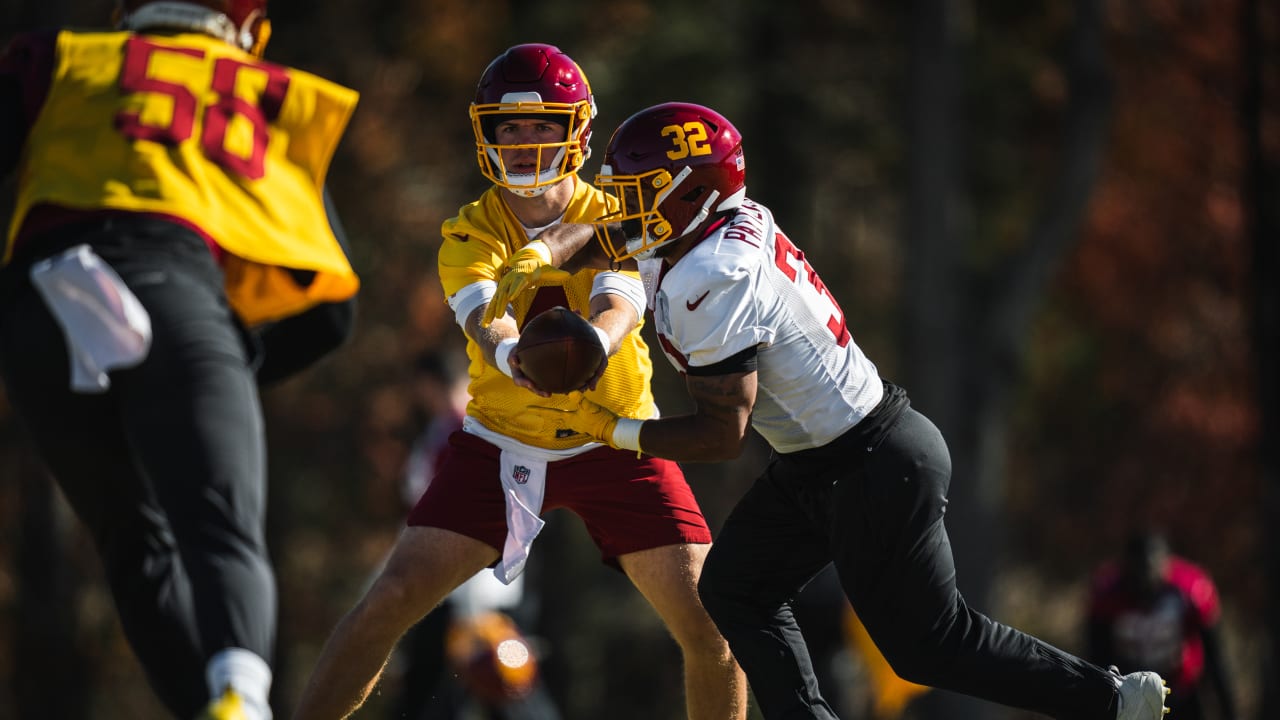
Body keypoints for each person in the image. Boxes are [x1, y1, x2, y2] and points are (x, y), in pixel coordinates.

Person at [486, 101, 1174, 720]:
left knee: (931, 646)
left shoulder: (710, 277)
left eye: (638, 195)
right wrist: (546, 252)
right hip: (823, 460)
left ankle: (1113, 701)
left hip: (872, 464)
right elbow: (607, 231)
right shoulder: (717, 222)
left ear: (690, 193)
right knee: (735, 590)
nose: (623, 210)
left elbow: (722, 434)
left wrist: (612, 431)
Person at [291, 45, 746, 720]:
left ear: (578, 132)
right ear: (487, 135)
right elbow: (486, 322)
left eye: (542, 126)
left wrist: (592, 343)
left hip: (618, 443)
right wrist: (517, 362)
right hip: (501, 445)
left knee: (713, 628)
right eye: (510, 128)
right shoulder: (469, 230)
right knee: (386, 602)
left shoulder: (617, 208)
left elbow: (619, 299)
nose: (526, 142)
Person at [0, 2, 360, 719]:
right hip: (170, 286)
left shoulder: (58, 58)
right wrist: (211, 378)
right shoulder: (265, 90)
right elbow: (330, 315)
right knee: (218, 525)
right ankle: (237, 698)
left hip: (37, 297)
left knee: (132, 542)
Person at [390, 350, 561, 720]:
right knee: (474, 684)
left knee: (497, 679)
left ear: (428, 385)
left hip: (468, 580)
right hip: (459, 577)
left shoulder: (464, 426)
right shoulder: (446, 427)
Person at [1087, 531, 1238, 720]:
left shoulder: (1191, 591)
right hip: (1129, 693)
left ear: (1166, 563)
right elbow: (1097, 653)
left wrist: (1228, 710)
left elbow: (1214, 657)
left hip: (1181, 690)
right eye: (1139, 569)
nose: (1146, 577)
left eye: (1151, 567)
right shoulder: (1108, 593)